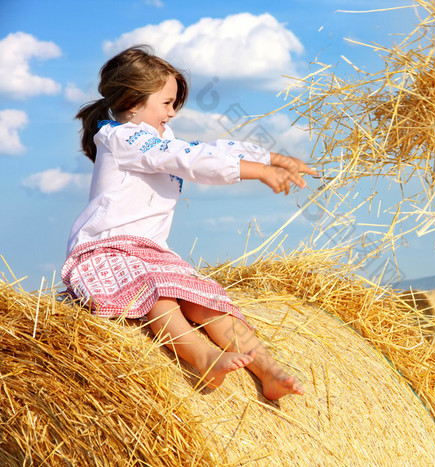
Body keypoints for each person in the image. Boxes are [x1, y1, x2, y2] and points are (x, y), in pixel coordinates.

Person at [61, 45, 315, 400]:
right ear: (134, 102)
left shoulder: (158, 139)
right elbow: (188, 159)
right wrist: (258, 171)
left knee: (207, 302)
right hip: (108, 248)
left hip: (152, 251)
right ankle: (203, 358)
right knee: (157, 292)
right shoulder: (122, 138)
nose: (172, 112)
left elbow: (209, 150)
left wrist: (272, 157)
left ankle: (269, 371)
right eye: (166, 103)